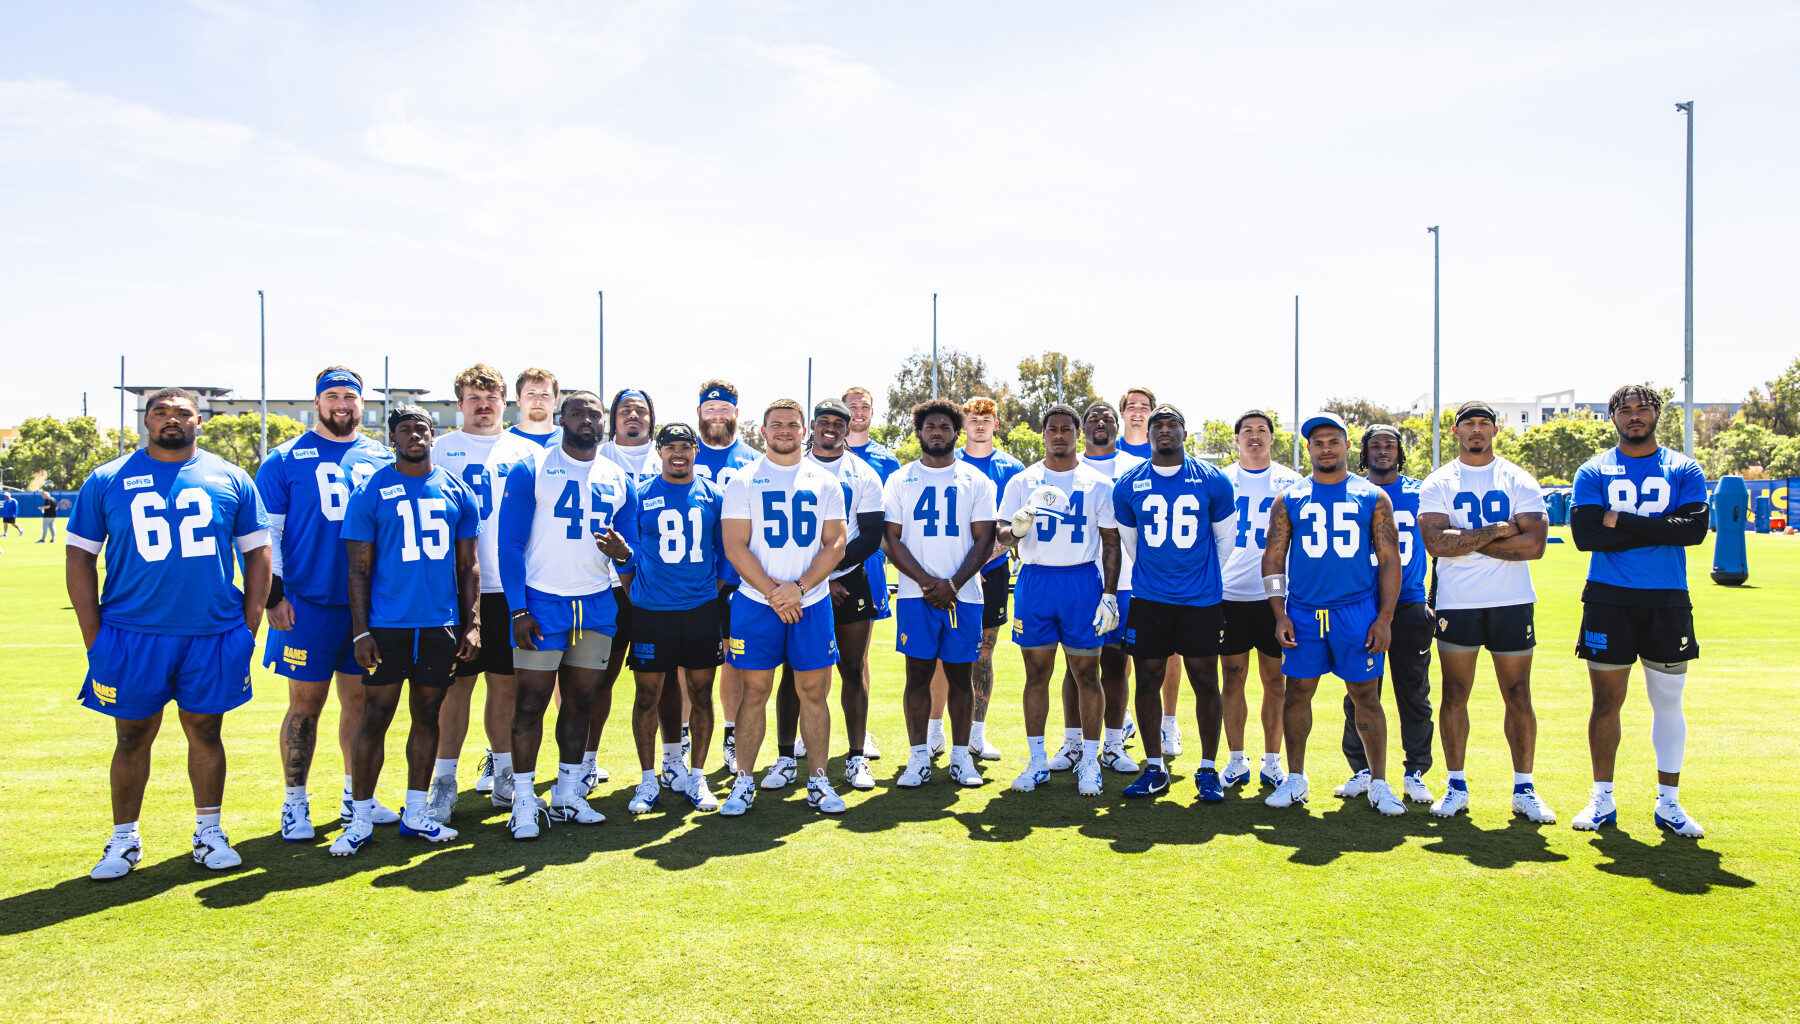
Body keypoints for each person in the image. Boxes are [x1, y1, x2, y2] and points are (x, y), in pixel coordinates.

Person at [68, 387, 271, 880]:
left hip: (212, 633)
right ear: (147, 421)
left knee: (206, 730)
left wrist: (248, 627)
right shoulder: (107, 478)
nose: (171, 420)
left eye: (182, 413)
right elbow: (79, 557)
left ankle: (208, 833)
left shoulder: (230, 476)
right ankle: (124, 839)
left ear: (200, 421)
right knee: (132, 736)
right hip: (131, 633)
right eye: (161, 413)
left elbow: (259, 555)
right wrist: (94, 635)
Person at [257, 366, 399, 840]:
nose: (342, 404)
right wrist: (274, 595)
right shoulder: (284, 458)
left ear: (363, 404)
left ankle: (354, 795)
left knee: (360, 702)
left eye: (351, 397)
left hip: (368, 605)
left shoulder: (381, 456)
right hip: (308, 603)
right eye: (332, 395)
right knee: (305, 704)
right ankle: (295, 803)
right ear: (317, 401)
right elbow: (268, 534)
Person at [331, 405, 479, 855]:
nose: (414, 436)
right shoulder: (371, 490)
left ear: (433, 435)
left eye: (421, 428)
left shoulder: (456, 488)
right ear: (392, 438)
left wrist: (472, 624)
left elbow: (468, 565)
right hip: (387, 625)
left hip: (439, 624)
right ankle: (359, 817)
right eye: (404, 430)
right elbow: (358, 568)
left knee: (428, 715)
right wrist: (361, 631)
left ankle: (416, 813)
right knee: (375, 716)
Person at [1570, 385, 1710, 836]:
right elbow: (1587, 536)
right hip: (1609, 596)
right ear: (1612, 417)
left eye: (1642, 409)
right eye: (1625, 410)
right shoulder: (1593, 470)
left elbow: (1691, 531)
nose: (1634, 417)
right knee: (1606, 702)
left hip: (1666, 597)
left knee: (1668, 703)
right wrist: (1658, 528)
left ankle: (1669, 802)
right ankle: (1602, 799)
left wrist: (1622, 521)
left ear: (1656, 415)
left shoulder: (1683, 466)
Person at [496, 392, 637, 839]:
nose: (586, 420)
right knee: (531, 704)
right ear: (562, 419)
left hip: (595, 602)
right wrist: (517, 607)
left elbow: (630, 552)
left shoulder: (618, 476)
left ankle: (568, 792)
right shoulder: (531, 468)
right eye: (577, 413)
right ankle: (522, 800)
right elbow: (509, 543)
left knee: (581, 703)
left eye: (594, 413)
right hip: (542, 601)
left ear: (604, 422)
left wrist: (624, 554)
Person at [1261, 413, 1406, 816]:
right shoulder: (1288, 497)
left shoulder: (1373, 496)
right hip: (1304, 612)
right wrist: (1279, 612)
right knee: (1297, 693)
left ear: (1346, 446)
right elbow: (1273, 559)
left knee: (1366, 696)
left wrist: (1385, 618)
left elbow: (1390, 559)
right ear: (1308, 448)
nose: (1326, 448)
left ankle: (1378, 781)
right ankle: (1295, 778)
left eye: (1333, 441)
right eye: (1318, 442)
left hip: (1356, 610)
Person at [1418, 400, 1554, 823]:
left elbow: (1534, 546)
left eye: (1484, 423)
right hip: (1458, 602)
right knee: (1455, 694)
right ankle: (1456, 784)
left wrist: (1467, 541)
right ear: (1456, 431)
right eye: (1468, 423)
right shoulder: (1439, 481)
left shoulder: (1518, 478)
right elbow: (1437, 545)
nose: (1476, 429)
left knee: (1518, 695)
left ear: (1496, 430)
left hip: (1511, 600)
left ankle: (1524, 787)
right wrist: (1497, 530)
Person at [719, 399, 849, 816]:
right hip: (758, 602)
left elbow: (836, 543)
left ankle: (817, 780)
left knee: (814, 692)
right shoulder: (743, 480)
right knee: (754, 691)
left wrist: (801, 587)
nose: (785, 431)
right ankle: (743, 781)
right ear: (763, 430)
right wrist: (777, 593)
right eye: (777, 425)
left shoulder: (824, 480)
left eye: (792, 425)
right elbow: (735, 546)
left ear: (804, 429)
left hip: (810, 601)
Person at [427, 364, 541, 822]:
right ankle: (443, 780)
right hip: (455, 589)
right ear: (460, 404)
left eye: (491, 397)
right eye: (474, 398)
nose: (483, 404)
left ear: (504, 402)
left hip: (508, 587)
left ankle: (505, 774)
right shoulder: (438, 450)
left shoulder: (526, 451)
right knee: (454, 689)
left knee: (506, 687)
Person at [1113, 406, 1237, 800]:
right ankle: (1154, 767)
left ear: (1185, 432)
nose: (1165, 430)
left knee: (1205, 680)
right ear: (1147, 433)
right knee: (1147, 681)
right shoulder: (1128, 483)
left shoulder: (1212, 479)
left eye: (1172, 425)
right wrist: (1160, 577)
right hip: (1150, 599)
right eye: (1157, 425)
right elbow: (1131, 544)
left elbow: (1225, 541)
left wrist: (1199, 578)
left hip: (1200, 601)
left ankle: (1206, 769)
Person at [997, 404, 1120, 794]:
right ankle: (1036, 762)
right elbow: (1002, 534)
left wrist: (1110, 594)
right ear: (1044, 433)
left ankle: (1089, 761)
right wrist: (1013, 531)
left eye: (1067, 429)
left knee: (1087, 673)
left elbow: (1111, 542)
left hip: (1081, 581)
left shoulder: (1097, 482)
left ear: (1078, 433)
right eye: (1053, 429)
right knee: (1036, 674)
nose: (1060, 435)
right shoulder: (1023, 480)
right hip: (1036, 581)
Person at [766, 401, 887, 793]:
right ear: (812, 428)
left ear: (848, 428)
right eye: (824, 422)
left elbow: (870, 534)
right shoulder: (790, 467)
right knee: (793, 670)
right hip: (798, 585)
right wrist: (815, 579)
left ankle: (855, 757)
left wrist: (830, 571)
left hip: (849, 581)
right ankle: (786, 758)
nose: (831, 428)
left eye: (839, 423)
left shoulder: (863, 473)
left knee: (853, 669)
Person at [885, 400, 999, 789]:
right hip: (916, 595)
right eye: (930, 426)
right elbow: (890, 539)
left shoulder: (977, 481)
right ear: (919, 432)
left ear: (956, 433)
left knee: (961, 677)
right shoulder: (900, 479)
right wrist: (925, 581)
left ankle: (961, 757)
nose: (937, 432)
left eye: (945, 427)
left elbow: (985, 539)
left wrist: (952, 584)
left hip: (963, 594)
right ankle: (918, 757)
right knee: (916, 675)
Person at [621, 423, 729, 813]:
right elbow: (628, 554)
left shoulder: (713, 494)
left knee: (701, 694)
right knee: (647, 695)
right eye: (671, 447)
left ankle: (697, 777)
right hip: (652, 612)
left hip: (700, 610)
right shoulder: (640, 494)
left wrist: (704, 595)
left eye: (686, 446)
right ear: (659, 451)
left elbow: (725, 554)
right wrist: (642, 590)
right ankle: (648, 779)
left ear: (696, 451)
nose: (678, 453)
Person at [1333, 426, 1436, 806]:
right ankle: (1361, 769)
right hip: (1361, 603)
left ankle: (1415, 772)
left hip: (1408, 602)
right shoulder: (1351, 491)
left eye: (1389, 445)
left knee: (1414, 693)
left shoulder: (1420, 491)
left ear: (1399, 452)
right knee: (1358, 692)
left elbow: (1439, 546)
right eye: (1374, 445)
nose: (1382, 451)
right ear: (1362, 452)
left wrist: (1434, 598)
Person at [1049, 401, 1142, 776]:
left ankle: (1115, 745)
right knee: (1076, 669)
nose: (1100, 423)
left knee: (1117, 665)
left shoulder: (1133, 469)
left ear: (1117, 427)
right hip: (1081, 582)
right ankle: (1073, 744)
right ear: (1081, 428)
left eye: (1108, 418)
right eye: (1093, 419)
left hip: (1124, 582)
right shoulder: (1066, 466)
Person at [1217, 410, 1302, 791]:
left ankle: (1272, 760)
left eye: (1262, 431)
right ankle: (1236, 760)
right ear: (1236, 439)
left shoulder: (1293, 482)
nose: (1254, 436)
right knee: (1232, 680)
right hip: (1229, 595)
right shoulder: (1220, 481)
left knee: (1276, 683)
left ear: (1272, 438)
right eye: (1247, 431)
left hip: (1276, 598)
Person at [591, 387, 668, 790]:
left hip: (658, 586)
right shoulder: (598, 457)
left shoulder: (667, 455)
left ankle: (673, 757)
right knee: (600, 678)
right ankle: (587, 760)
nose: (633, 416)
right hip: (608, 584)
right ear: (613, 418)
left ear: (651, 418)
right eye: (625, 410)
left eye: (641, 410)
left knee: (665, 676)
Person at [946, 396, 1025, 761]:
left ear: (997, 424)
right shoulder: (947, 459)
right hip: (943, 572)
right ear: (963, 424)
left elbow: (1013, 530)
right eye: (973, 418)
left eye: (987, 418)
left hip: (990, 573)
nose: (980, 424)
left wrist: (974, 567)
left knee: (984, 651)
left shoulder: (1012, 468)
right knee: (934, 652)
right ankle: (933, 733)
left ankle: (977, 734)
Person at [693, 379, 763, 772]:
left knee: (735, 660)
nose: (717, 415)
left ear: (736, 413)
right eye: (710, 408)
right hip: (691, 577)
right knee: (690, 662)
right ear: (699, 411)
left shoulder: (753, 460)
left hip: (739, 578)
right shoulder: (682, 453)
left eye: (724, 408)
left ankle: (732, 734)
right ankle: (684, 736)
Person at [842, 384, 899, 761]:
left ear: (873, 413)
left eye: (865, 405)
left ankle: (861, 735)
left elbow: (890, 525)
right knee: (811, 654)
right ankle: (803, 733)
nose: (859, 411)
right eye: (852, 406)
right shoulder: (814, 454)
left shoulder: (884, 459)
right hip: (817, 569)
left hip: (868, 564)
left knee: (858, 656)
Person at [509, 368, 561, 448]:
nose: (538, 400)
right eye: (530, 393)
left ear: (556, 401)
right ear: (518, 399)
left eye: (545, 394)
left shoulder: (572, 442)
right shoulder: (500, 443)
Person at [1117, 387, 1157, 459]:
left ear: (1152, 415)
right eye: (1131, 407)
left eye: (1144, 408)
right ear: (1122, 414)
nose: (1138, 412)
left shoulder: (1168, 451)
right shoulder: (1108, 450)